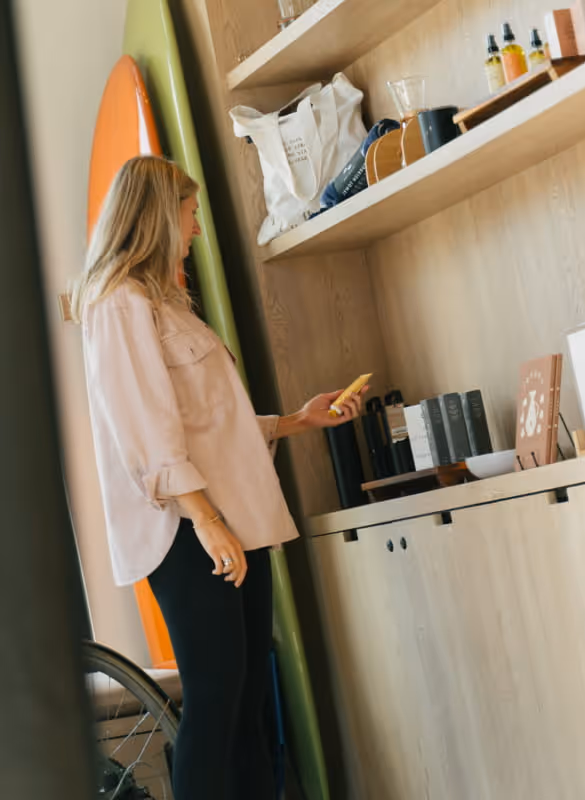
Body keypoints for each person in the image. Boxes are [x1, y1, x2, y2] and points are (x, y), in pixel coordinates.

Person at [71, 155, 366, 800]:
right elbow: (147, 433)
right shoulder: (118, 305)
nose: (196, 228)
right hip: (185, 529)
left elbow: (207, 423)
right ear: (156, 216)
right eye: (190, 213)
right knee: (214, 697)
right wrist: (206, 521)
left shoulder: (168, 306)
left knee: (247, 697)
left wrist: (296, 421)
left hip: (227, 520)